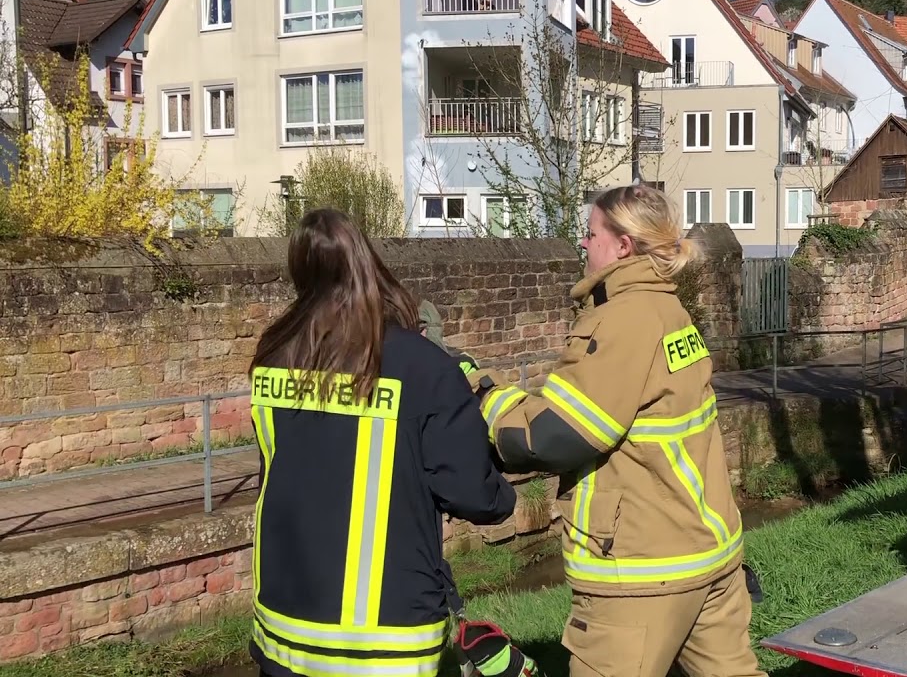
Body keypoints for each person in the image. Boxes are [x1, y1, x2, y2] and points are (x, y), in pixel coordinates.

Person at [458, 184, 766, 677]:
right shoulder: (669, 311)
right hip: (710, 554)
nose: (583, 243)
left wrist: (483, 396)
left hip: (641, 571)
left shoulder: (623, 319)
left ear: (623, 246)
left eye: (591, 233)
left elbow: (556, 435)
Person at [246, 208, 517, 677]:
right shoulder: (424, 366)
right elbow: (475, 496)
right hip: (384, 639)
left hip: (284, 629)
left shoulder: (271, 357)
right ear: (367, 263)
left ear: (298, 272)